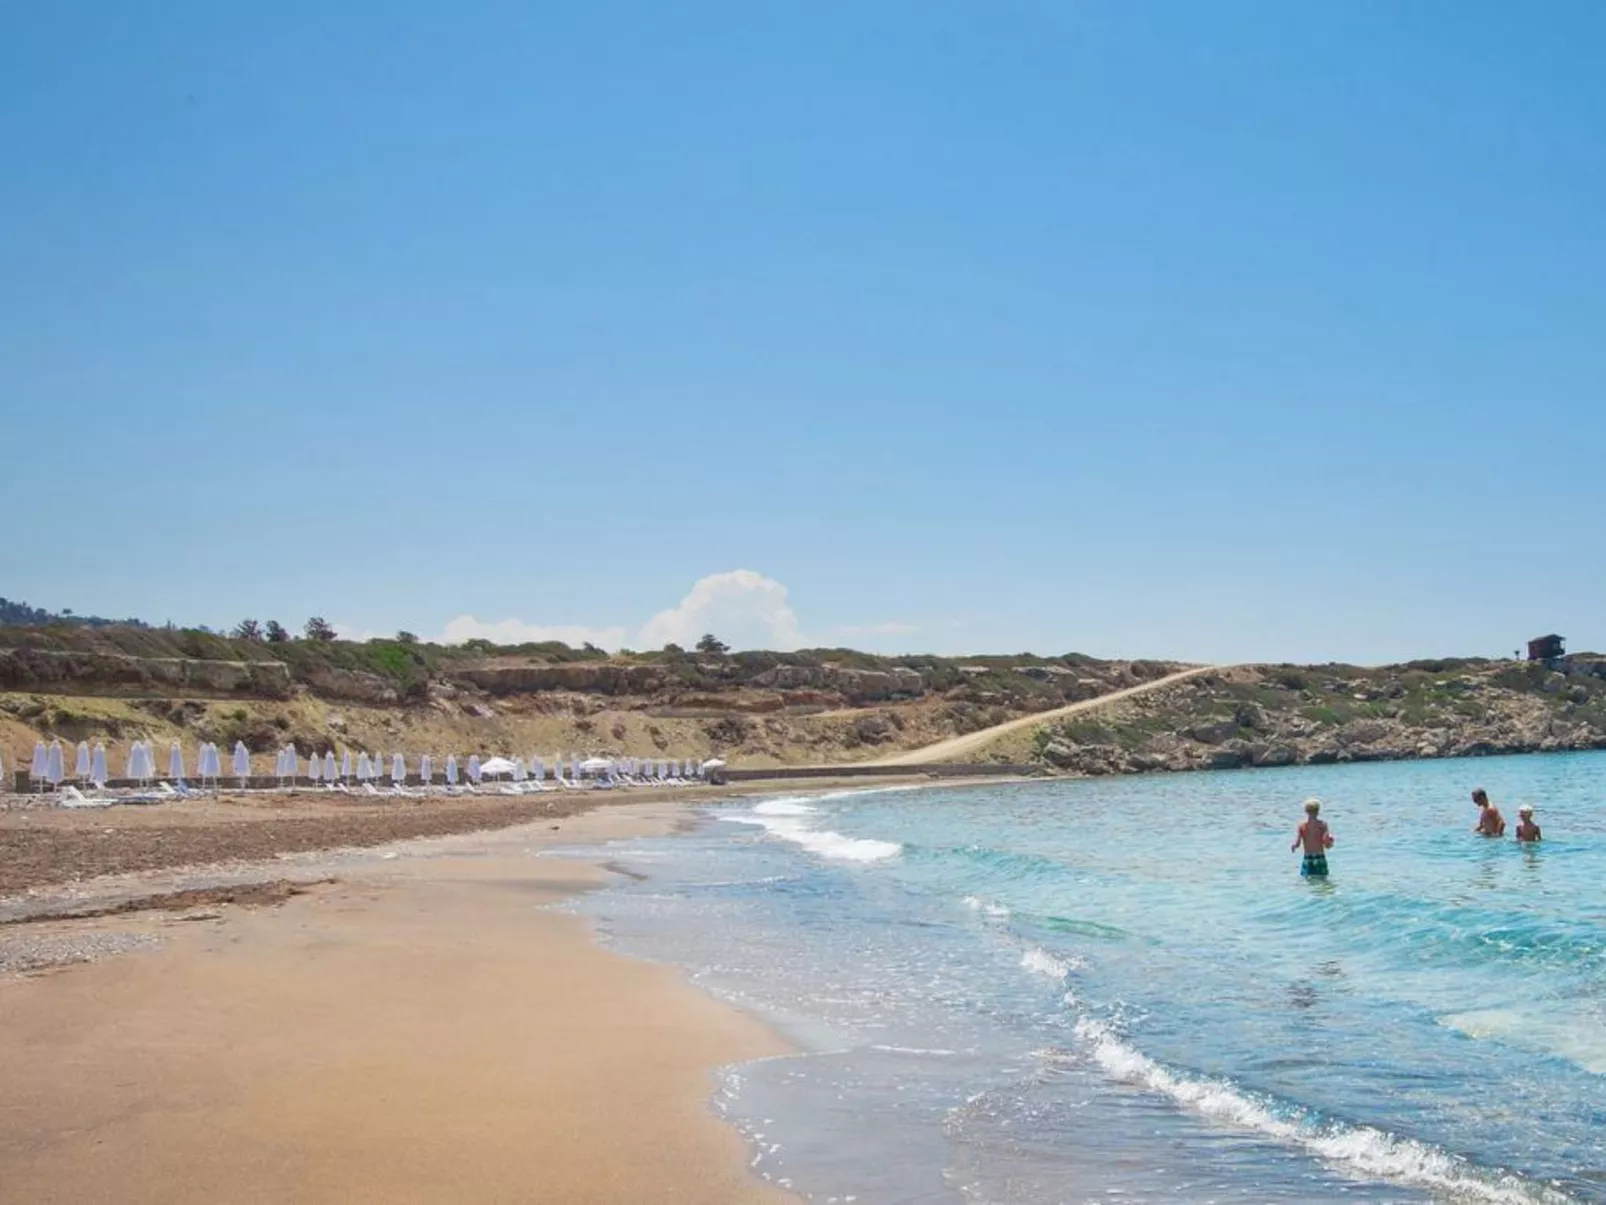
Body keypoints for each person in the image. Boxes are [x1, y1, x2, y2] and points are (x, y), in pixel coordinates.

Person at [1292, 798, 1334, 877]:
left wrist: (1293, 846)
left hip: (1308, 858)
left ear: (1306, 811)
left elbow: (1297, 844)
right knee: (1322, 879)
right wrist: (1331, 841)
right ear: (1318, 810)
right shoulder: (1322, 824)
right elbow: (1327, 844)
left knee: (1308, 879)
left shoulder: (1302, 826)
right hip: (1319, 857)